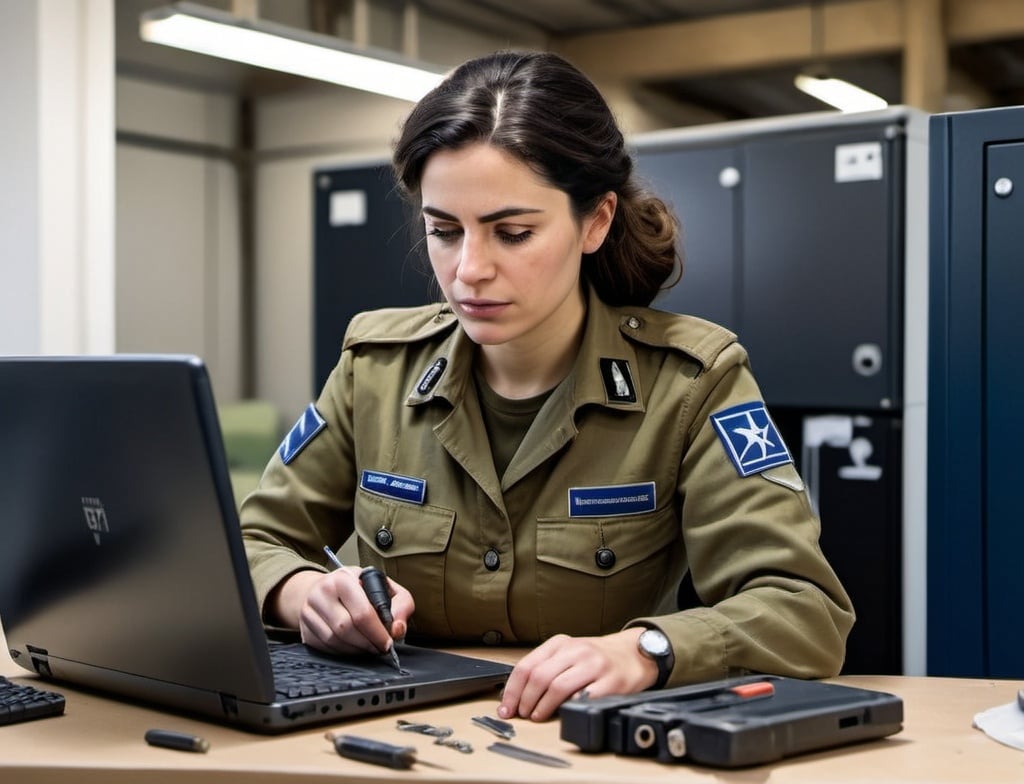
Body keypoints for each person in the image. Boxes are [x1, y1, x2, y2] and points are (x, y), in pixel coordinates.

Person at [240, 50, 854, 723]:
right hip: (400, 740)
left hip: (584, 748)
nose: (469, 270)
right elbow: (249, 544)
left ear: (595, 221)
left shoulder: (692, 383)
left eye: (513, 233)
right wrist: (304, 594)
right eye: (443, 232)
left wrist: (648, 649)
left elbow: (804, 609)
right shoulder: (376, 368)